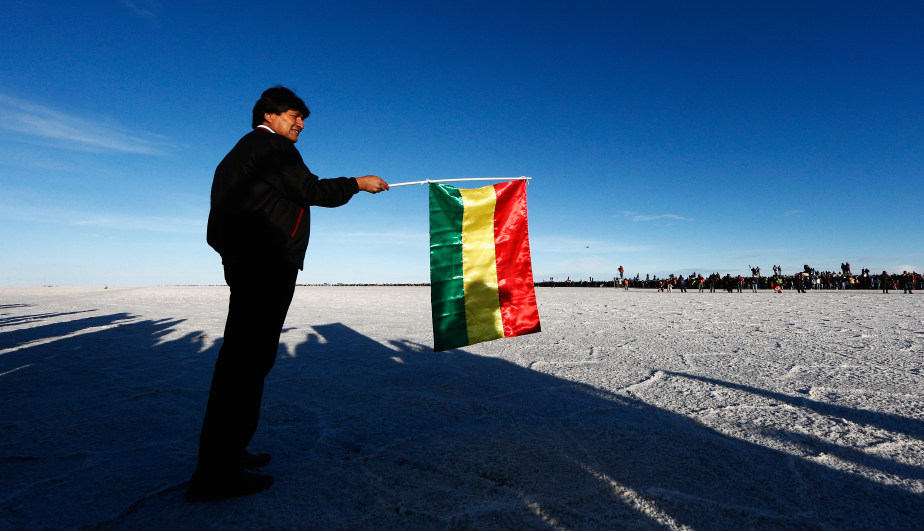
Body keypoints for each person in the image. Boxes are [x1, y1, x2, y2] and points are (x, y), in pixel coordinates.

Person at [187, 86, 389, 501]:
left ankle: (227, 455)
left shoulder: (241, 152)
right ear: (271, 115)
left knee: (245, 362)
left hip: (250, 264)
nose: (300, 125)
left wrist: (237, 254)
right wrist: (358, 183)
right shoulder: (270, 146)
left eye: (302, 119)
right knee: (245, 364)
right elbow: (311, 191)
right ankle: (217, 474)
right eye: (294, 115)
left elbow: (220, 224)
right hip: (265, 266)